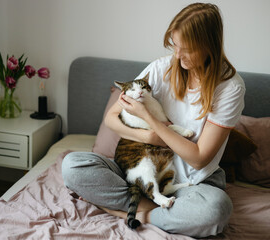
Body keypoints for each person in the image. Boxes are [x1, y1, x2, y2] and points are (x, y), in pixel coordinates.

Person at [62, 2, 245, 238]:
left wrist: (150, 119)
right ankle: (155, 207)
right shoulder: (160, 69)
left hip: (191, 182)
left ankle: (142, 214)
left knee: (216, 210)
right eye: (175, 46)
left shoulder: (230, 87)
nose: (177, 55)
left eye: (186, 49)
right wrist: (148, 136)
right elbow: (111, 118)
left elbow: (199, 159)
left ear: (208, 45)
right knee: (72, 165)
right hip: (142, 170)